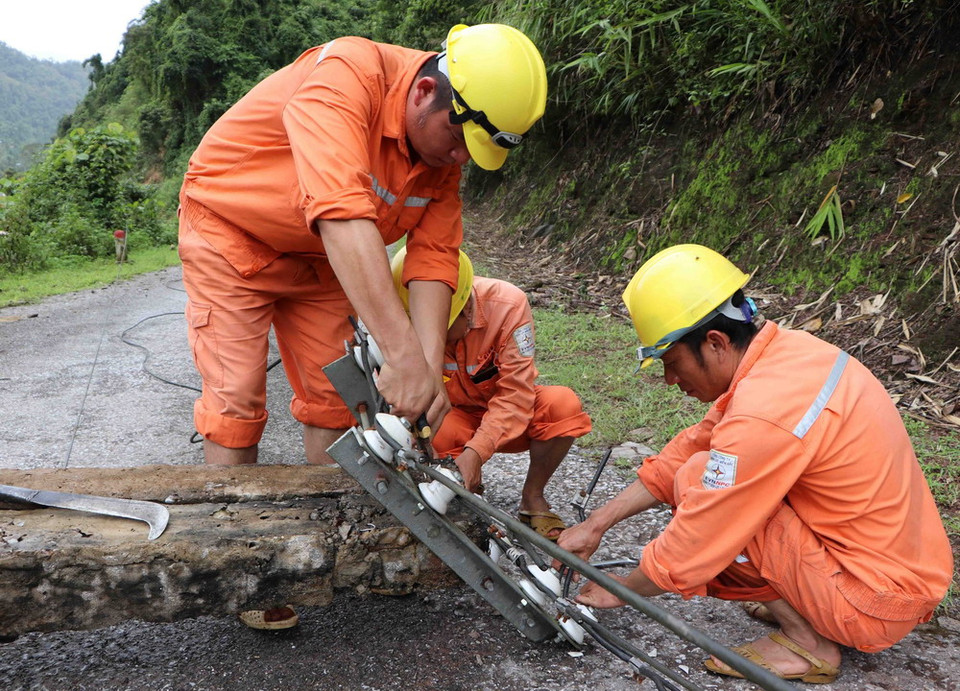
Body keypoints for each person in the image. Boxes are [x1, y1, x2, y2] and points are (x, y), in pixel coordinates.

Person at [177, 24, 548, 629]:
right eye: (458, 143)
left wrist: (427, 371)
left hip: (323, 261)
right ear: (426, 91)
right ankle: (239, 566)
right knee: (238, 398)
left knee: (336, 401)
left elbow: (434, 259)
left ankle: (326, 550)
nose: (460, 160)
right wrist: (400, 356)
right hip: (232, 233)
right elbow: (340, 210)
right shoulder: (346, 76)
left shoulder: (441, 150)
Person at [557, 244, 953, 683]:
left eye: (672, 363)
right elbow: (690, 445)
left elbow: (701, 531)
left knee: (703, 485)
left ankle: (810, 642)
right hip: (895, 573)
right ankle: (810, 600)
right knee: (701, 467)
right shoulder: (787, 357)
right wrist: (598, 522)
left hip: (874, 601)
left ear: (715, 342)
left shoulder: (764, 410)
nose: (670, 380)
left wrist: (623, 590)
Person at [392, 247, 592, 540]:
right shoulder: (402, 317)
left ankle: (532, 499)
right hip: (455, 417)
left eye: (441, 328)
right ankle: (468, 495)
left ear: (467, 309)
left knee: (562, 406)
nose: (430, 335)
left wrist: (476, 452)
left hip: (511, 417)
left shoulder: (508, 305)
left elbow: (516, 394)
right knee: (433, 428)